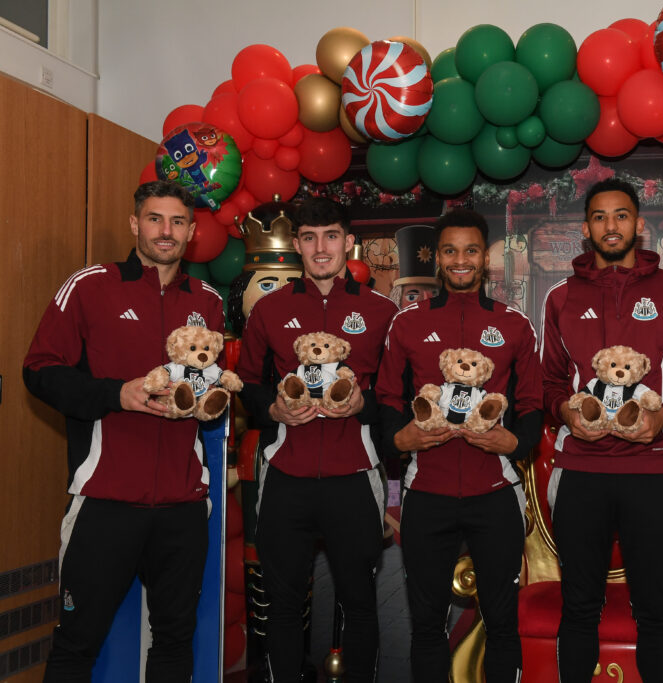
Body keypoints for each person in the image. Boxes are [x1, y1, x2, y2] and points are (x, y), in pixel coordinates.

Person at [23, 181, 224, 682]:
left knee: (175, 641)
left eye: (178, 222)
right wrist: (116, 394)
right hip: (105, 499)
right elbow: (40, 370)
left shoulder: (209, 300)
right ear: (135, 224)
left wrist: (210, 406)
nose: (166, 231)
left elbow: (212, 389)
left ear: (193, 232)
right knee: (75, 643)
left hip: (182, 504)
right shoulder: (91, 285)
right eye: (155, 219)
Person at [540, 178, 663, 683]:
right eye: (599, 216)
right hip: (580, 472)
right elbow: (546, 380)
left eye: (620, 216)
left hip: (652, 471)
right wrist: (566, 414)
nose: (610, 226)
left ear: (639, 224)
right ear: (586, 227)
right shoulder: (559, 297)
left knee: (654, 607)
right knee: (579, 606)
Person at [235, 197, 398, 682]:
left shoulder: (382, 311)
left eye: (330, 236)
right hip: (286, 477)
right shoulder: (268, 309)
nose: (320, 247)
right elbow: (248, 385)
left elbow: (397, 398)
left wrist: (362, 405)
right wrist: (272, 408)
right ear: (297, 246)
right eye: (309, 237)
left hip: (355, 477)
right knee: (284, 603)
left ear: (349, 242)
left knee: (359, 601)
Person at [377, 209, 543, 683]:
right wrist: (398, 438)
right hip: (426, 492)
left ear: (484, 257)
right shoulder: (407, 323)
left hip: (496, 493)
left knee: (502, 623)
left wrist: (515, 443)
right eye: (450, 250)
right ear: (437, 258)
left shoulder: (514, 324)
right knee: (427, 625)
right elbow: (387, 397)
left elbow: (532, 403)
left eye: (471, 250)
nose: (460, 260)